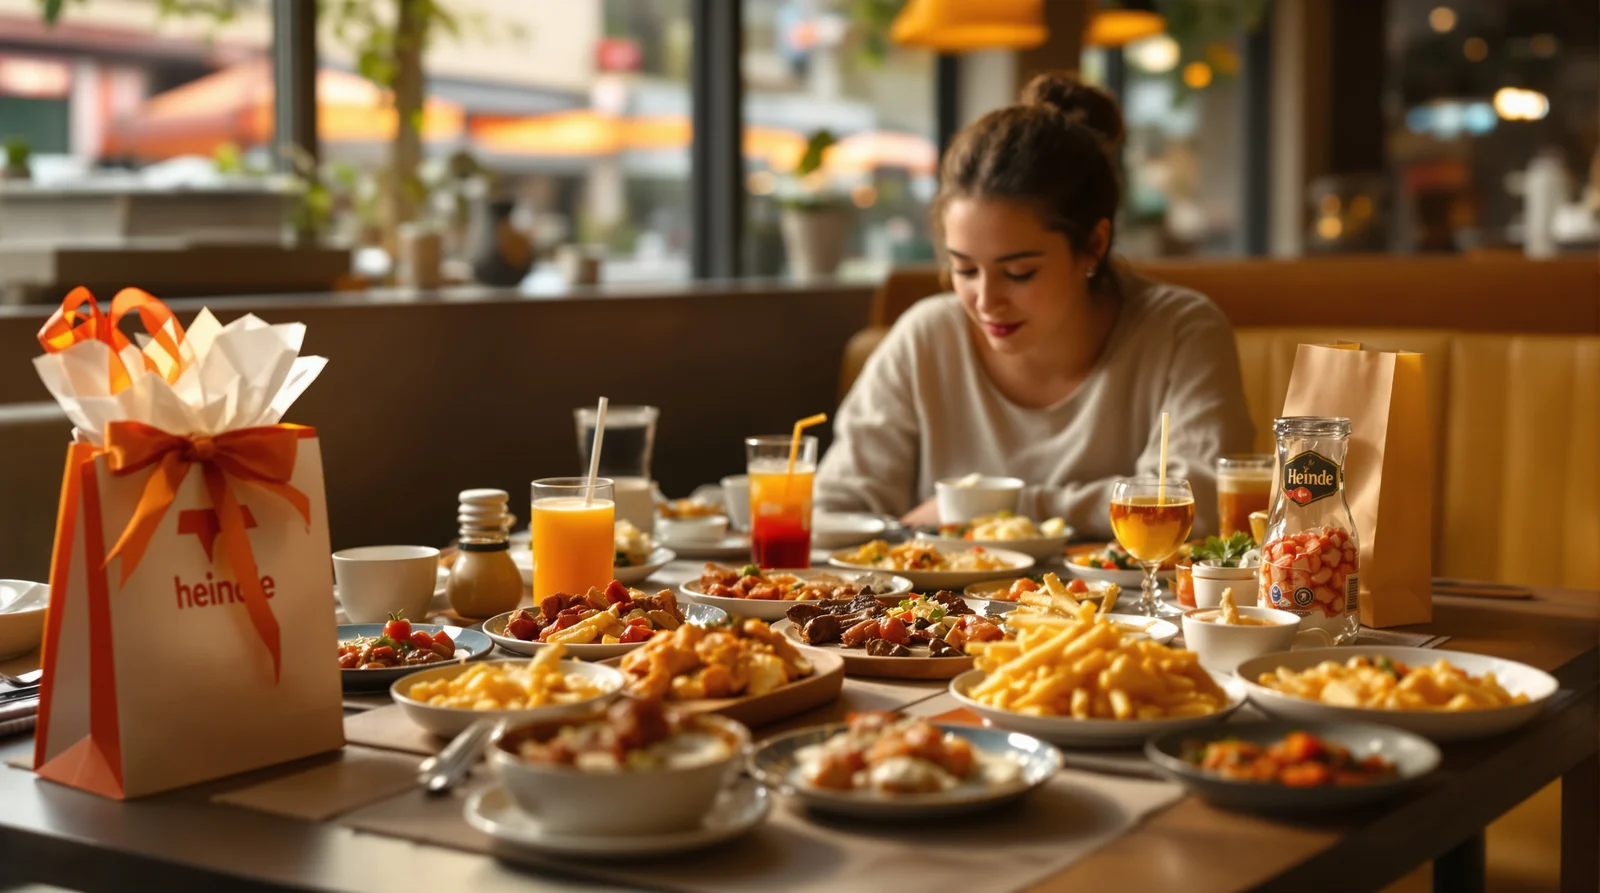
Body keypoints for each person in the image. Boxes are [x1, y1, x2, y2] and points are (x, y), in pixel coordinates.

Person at [815, 71, 1254, 538]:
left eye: (1019, 272)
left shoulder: (1180, 331)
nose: (985, 301)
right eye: (964, 269)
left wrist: (998, 510)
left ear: (1094, 244)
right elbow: (831, 510)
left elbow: (1200, 505)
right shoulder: (925, 338)